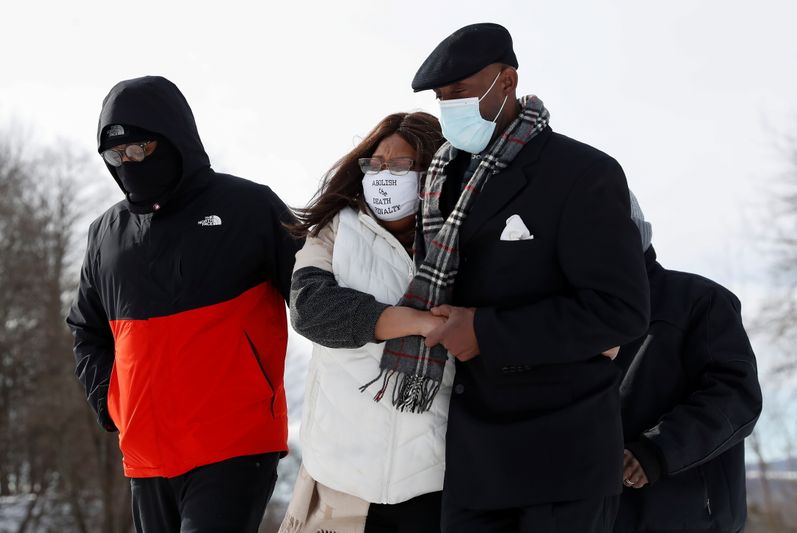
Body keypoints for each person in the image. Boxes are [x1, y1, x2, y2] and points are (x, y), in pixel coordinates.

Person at [382, 23, 651, 532]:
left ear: (506, 81)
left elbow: (620, 310)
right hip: (471, 458)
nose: (450, 109)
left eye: (460, 94)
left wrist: (484, 330)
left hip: (561, 456)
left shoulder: (582, 172)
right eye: (442, 99)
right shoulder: (442, 175)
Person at [66, 75, 301, 533]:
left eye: (140, 149)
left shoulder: (248, 207)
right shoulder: (105, 235)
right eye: (116, 155)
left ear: (175, 139)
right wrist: (111, 402)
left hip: (234, 445)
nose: (128, 162)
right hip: (146, 456)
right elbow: (86, 330)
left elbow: (315, 292)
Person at [280, 112, 450, 533]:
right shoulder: (335, 230)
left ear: (431, 171)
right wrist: (413, 322)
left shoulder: (459, 242)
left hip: (433, 477)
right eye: (374, 165)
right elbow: (310, 308)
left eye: (399, 166)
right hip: (342, 478)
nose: (383, 176)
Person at [613, 193, 762, 533]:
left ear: (636, 232)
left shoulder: (698, 301)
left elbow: (736, 396)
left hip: (688, 519)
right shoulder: (573, 321)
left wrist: (658, 450)